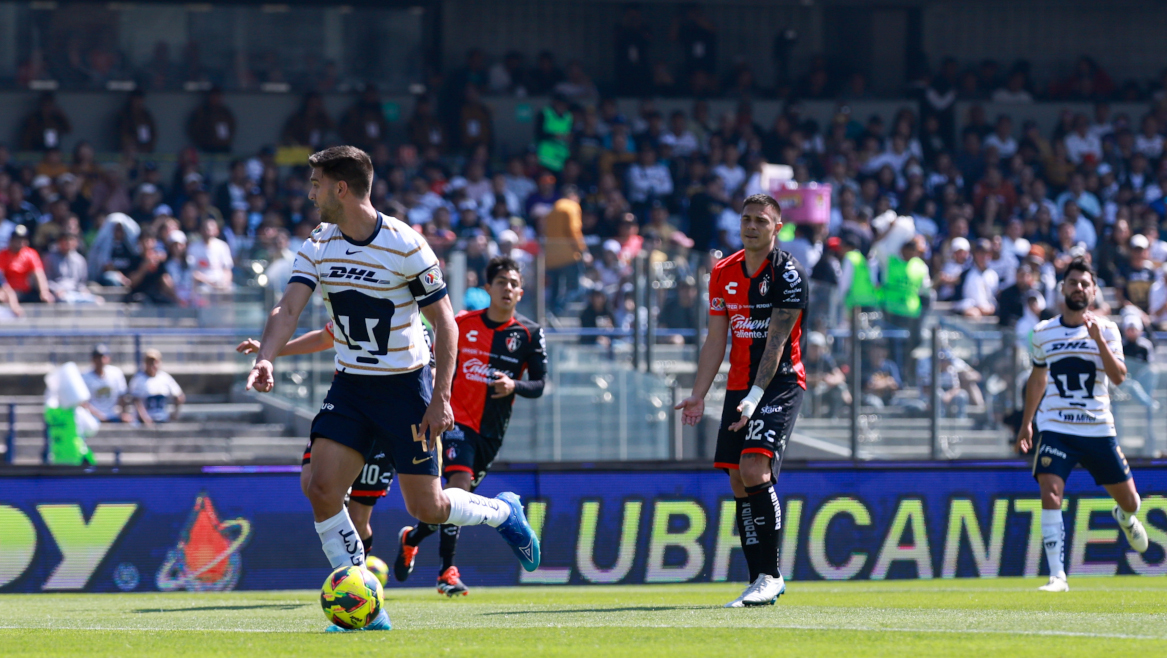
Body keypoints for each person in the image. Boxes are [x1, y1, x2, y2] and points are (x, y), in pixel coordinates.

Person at [245, 146, 539, 632]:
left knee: (428, 507)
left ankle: (502, 512)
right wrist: (266, 358)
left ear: (341, 188)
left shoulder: (406, 244)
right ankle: (364, 607)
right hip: (352, 387)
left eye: (316, 184)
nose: (310, 192)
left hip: (407, 389)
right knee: (320, 488)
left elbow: (446, 325)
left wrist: (440, 398)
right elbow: (289, 307)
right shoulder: (319, 241)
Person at [675, 193, 806, 607]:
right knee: (736, 478)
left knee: (753, 467)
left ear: (777, 228)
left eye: (761, 221)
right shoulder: (722, 272)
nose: (751, 226)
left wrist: (754, 396)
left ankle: (772, 574)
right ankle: (758, 581)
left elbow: (777, 340)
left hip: (780, 382)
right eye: (746, 219)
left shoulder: (787, 274)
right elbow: (717, 338)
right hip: (739, 385)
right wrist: (698, 394)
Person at [394, 256, 547, 596]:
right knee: (458, 486)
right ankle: (447, 571)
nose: (507, 288)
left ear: (521, 292)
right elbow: (436, 361)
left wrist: (513, 386)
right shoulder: (462, 323)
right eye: (501, 282)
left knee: (451, 506)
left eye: (513, 283)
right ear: (488, 288)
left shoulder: (529, 334)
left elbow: (539, 385)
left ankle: (412, 537)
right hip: (456, 421)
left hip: (491, 432)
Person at [1016, 259, 1149, 593]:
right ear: (1062, 288)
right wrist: (1027, 423)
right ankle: (1057, 575)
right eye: (1072, 282)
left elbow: (1119, 377)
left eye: (1084, 284)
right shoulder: (1044, 332)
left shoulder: (1107, 329)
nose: (1078, 288)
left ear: (1093, 290)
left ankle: (1125, 516)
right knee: (1050, 490)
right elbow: (1037, 378)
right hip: (1056, 425)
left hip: (1097, 427)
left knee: (1131, 502)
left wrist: (1097, 341)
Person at [237, 323, 393, 562]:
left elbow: (429, 369)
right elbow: (321, 338)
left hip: (384, 421)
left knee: (361, 519)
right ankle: (351, 575)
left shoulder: (407, 317)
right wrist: (269, 352)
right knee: (312, 483)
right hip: (346, 408)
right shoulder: (348, 298)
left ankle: (362, 571)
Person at [128, 349, 184, 425]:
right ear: (145, 363)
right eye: (150, 362)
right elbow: (136, 401)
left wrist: (174, 414)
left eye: (155, 362)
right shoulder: (138, 379)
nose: (153, 365)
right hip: (142, 422)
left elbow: (179, 397)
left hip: (163, 419)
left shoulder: (165, 378)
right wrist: (146, 420)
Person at [81, 344, 131, 423]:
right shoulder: (85, 377)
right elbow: (83, 402)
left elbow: (122, 396)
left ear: (108, 358)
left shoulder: (116, 373)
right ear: (93, 359)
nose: (100, 360)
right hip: (92, 417)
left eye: (103, 357)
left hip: (113, 415)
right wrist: (99, 415)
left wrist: (123, 413)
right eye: (97, 357)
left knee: (132, 422)